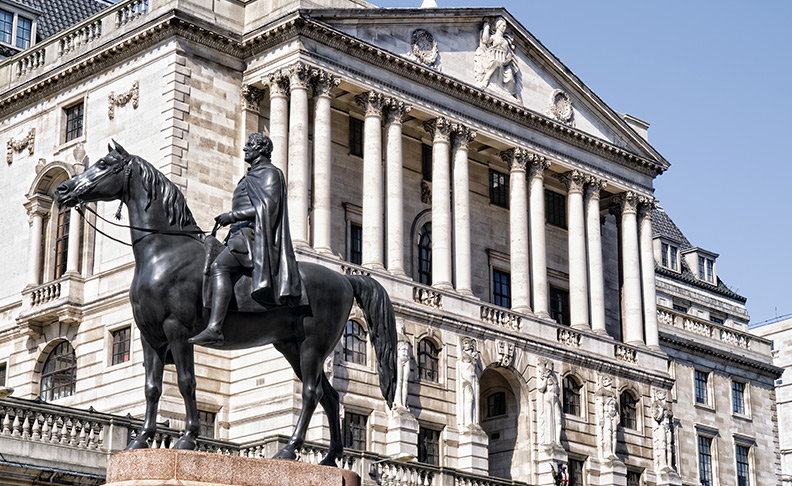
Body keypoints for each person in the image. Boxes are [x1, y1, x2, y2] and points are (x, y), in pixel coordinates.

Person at [190, 132, 304, 346]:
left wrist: (231, 216)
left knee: (219, 266)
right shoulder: (251, 176)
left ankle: (215, 328)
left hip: (255, 236)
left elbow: (268, 208)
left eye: (250, 144)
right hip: (237, 234)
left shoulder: (270, 174)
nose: (245, 148)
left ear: (261, 149)